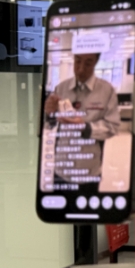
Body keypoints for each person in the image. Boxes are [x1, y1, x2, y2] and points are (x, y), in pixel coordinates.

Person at [44, 53, 120, 184]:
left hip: (89, 171)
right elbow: (49, 124)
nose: (80, 69)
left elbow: (112, 126)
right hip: (61, 168)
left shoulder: (107, 91)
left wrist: (85, 127)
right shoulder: (61, 88)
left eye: (88, 63)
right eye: (77, 61)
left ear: (96, 62)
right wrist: (49, 114)